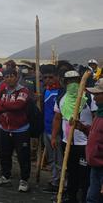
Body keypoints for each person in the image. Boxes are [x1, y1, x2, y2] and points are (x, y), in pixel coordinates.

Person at [52, 70, 95, 202]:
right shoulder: (61, 98)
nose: (72, 84)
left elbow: (96, 118)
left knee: (85, 175)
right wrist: (54, 136)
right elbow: (58, 118)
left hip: (85, 143)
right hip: (68, 142)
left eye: (75, 81)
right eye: (69, 81)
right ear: (65, 83)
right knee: (70, 171)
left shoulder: (89, 97)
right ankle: (71, 197)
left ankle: (85, 199)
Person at [0, 68, 31, 193]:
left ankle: (24, 180)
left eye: (11, 76)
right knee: (4, 154)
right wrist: (5, 107)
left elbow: (19, 105)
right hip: (4, 127)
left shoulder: (23, 90)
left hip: (20, 129)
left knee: (23, 156)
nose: (9, 79)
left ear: (16, 77)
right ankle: (5, 176)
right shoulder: (2, 90)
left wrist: (2, 106)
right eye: (6, 77)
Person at [40, 64, 63, 193]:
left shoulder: (61, 92)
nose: (48, 80)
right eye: (45, 77)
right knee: (51, 158)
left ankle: (61, 184)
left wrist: (55, 133)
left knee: (59, 159)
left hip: (57, 132)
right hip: (46, 129)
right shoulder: (45, 91)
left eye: (51, 77)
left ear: (57, 77)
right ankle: (54, 180)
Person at [85, 79, 103, 202]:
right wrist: (82, 128)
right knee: (92, 198)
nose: (94, 98)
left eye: (97, 94)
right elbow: (95, 134)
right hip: (95, 165)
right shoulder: (99, 114)